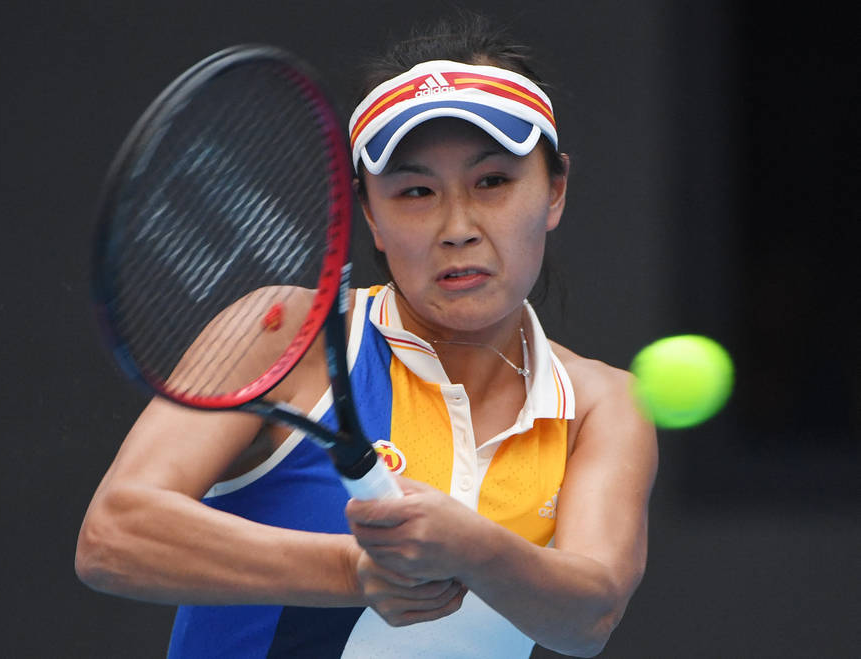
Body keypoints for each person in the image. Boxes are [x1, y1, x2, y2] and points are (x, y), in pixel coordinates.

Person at [76, 13, 657, 659]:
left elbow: (589, 613)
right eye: (414, 191)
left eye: (492, 181)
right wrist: (351, 570)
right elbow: (114, 534)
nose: (457, 226)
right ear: (371, 215)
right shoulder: (288, 333)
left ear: (554, 191)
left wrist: (469, 544)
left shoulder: (601, 404)